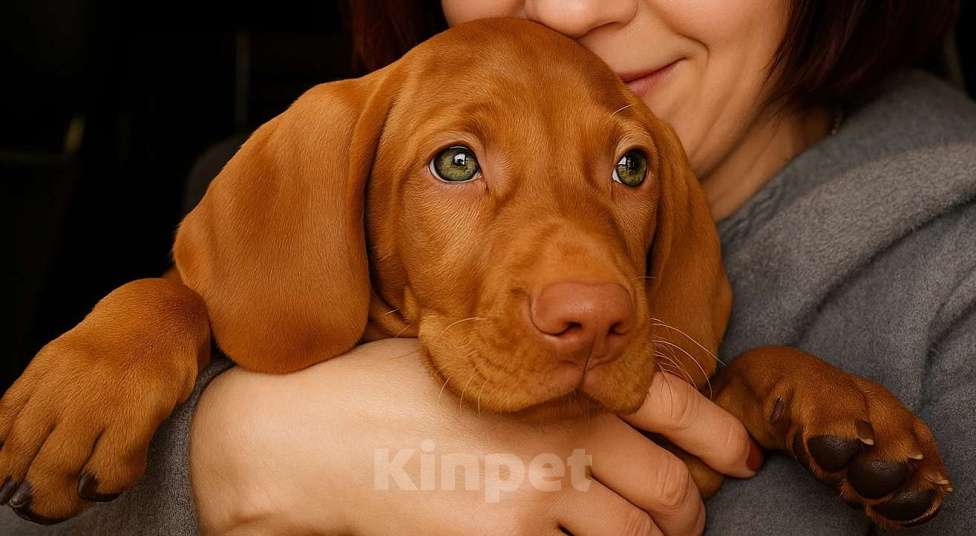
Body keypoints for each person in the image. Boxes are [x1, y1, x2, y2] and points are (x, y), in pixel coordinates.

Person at [2, 0, 971, 534]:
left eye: (628, 166)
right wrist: (218, 444)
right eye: (457, 162)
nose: (575, 6)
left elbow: (681, 376)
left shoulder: (949, 271)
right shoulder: (294, 179)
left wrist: (756, 388)